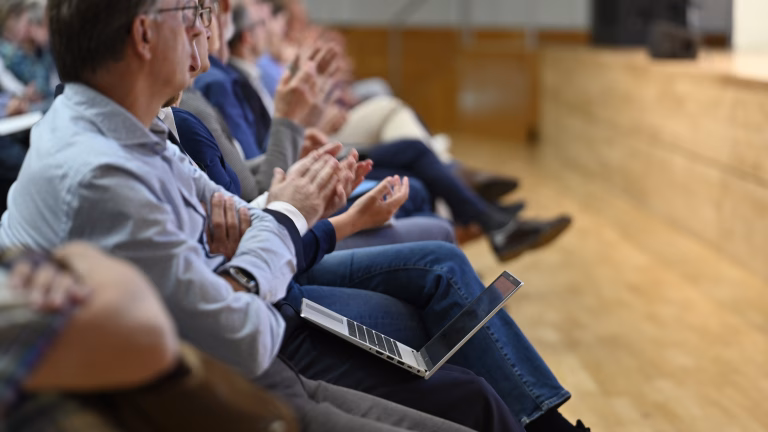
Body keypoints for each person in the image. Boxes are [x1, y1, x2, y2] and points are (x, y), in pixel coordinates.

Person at [0, 0, 527, 430]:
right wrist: (287, 207)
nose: (203, 46)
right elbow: (245, 331)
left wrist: (282, 219)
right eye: (193, 18)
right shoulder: (105, 169)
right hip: (227, 388)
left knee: (465, 381)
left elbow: (245, 215)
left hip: (254, 341)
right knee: (443, 299)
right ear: (143, 34)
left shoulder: (133, 130)